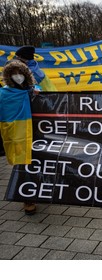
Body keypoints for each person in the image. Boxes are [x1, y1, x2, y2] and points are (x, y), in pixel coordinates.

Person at [0, 60, 37, 215]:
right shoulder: (4, 93)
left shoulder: (32, 90)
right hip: (18, 135)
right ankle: (27, 198)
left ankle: (36, 191)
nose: (18, 76)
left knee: (36, 163)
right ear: (9, 76)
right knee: (23, 165)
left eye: (20, 73)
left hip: (35, 133)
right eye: (14, 73)